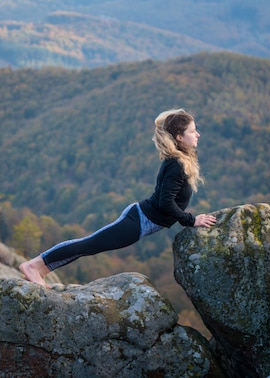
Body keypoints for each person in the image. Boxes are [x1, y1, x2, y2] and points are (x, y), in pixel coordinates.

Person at [19, 108, 217, 287]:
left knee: (91, 245)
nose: (197, 134)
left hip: (141, 219)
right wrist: (191, 220)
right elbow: (166, 202)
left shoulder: (180, 159)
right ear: (179, 137)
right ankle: (34, 265)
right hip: (138, 221)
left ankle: (41, 271)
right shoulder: (177, 164)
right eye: (192, 131)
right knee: (90, 244)